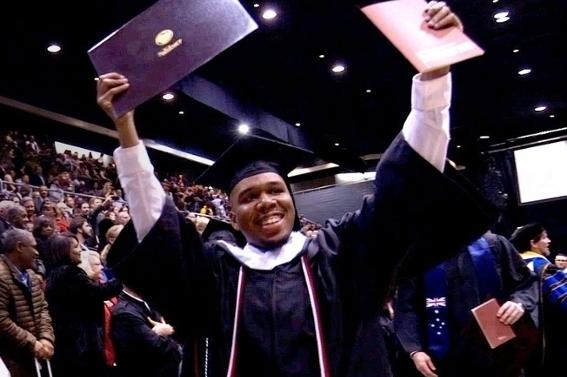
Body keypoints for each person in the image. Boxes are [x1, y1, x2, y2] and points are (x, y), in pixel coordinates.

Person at [97, 3, 497, 376]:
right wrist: (127, 130)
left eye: (275, 190)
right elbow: (158, 226)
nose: (267, 201)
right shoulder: (217, 272)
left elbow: (403, 190)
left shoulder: (338, 255)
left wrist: (434, 76)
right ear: (231, 213)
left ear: (292, 198)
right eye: (249, 197)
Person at [394, 231, 538, 377]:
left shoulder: (493, 243)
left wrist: (519, 303)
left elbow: (525, 282)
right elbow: (406, 306)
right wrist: (414, 350)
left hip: (498, 352)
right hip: (443, 357)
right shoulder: (419, 255)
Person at [45, 234, 122, 377]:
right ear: (63, 251)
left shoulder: (54, 274)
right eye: (75, 246)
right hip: (80, 343)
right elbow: (98, 293)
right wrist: (122, 278)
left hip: (69, 341)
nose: (80, 250)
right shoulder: (69, 273)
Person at [509, 223, 567, 377]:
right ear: (533, 243)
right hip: (550, 344)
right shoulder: (545, 268)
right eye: (545, 237)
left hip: (519, 344)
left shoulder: (511, 266)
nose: (549, 241)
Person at [0, 229, 55, 377]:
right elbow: (1, 320)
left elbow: (42, 307)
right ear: (19, 247)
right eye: (33, 247)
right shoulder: (1, 276)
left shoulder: (30, 274)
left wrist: (46, 337)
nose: (37, 253)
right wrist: (32, 343)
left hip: (37, 354)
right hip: (13, 358)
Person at [111, 284, 182, 377]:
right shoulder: (125, 312)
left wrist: (167, 330)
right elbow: (157, 346)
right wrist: (170, 333)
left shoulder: (148, 300)